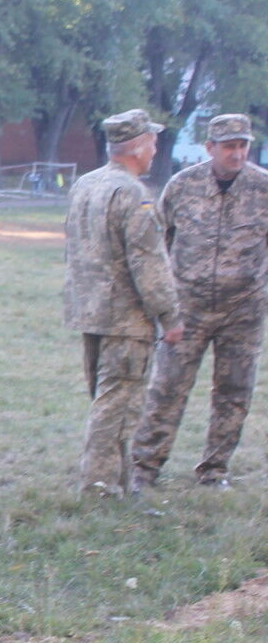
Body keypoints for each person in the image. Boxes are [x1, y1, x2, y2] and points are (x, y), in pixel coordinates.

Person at [131, 114, 268, 490]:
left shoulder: (263, 188)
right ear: (210, 148)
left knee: (235, 391)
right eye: (229, 147)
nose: (237, 154)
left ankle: (214, 470)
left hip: (243, 310)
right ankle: (144, 467)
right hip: (186, 308)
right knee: (167, 387)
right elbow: (159, 243)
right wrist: (161, 301)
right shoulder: (182, 185)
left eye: (243, 146)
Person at [64, 108, 181, 497]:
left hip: (90, 312)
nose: (156, 149)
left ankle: (116, 481)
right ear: (139, 146)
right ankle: (99, 489)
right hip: (125, 319)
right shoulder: (132, 194)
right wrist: (170, 316)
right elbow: (148, 262)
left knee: (106, 400)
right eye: (153, 141)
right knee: (116, 408)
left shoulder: (86, 184)